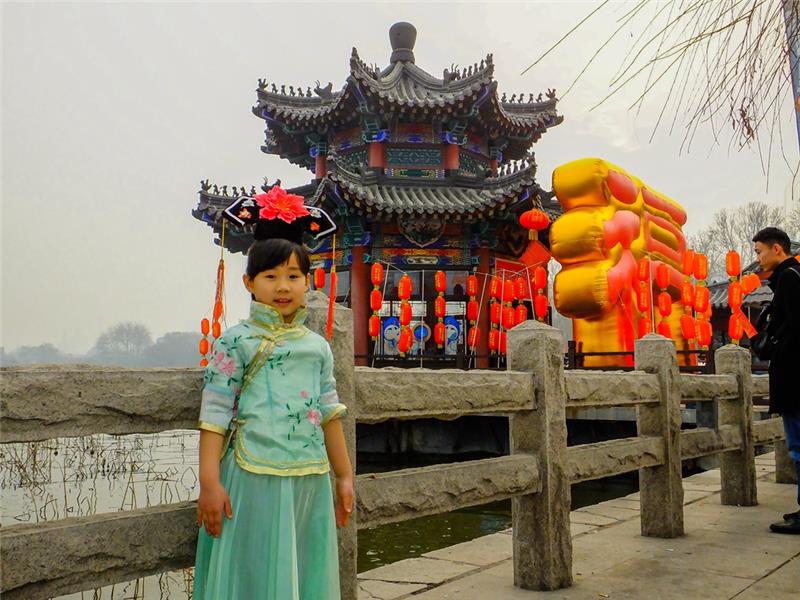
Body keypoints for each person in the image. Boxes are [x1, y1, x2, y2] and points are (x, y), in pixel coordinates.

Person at [194, 186, 354, 597]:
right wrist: (210, 483)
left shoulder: (317, 347)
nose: (283, 287)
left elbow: (329, 413)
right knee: (252, 575)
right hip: (252, 477)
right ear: (249, 282)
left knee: (304, 572)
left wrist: (344, 475)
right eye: (270, 276)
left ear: (307, 281)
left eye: (293, 276)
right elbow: (214, 414)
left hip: (310, 477)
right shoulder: (235, 341)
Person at [752, 227, 800, 534]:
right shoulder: (791, 276)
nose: (758, 258)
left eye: (759, 252)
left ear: (777, 249)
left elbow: (794, 327)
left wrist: (773, 345)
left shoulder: (790, 279)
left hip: (795, 379)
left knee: (799, 446)